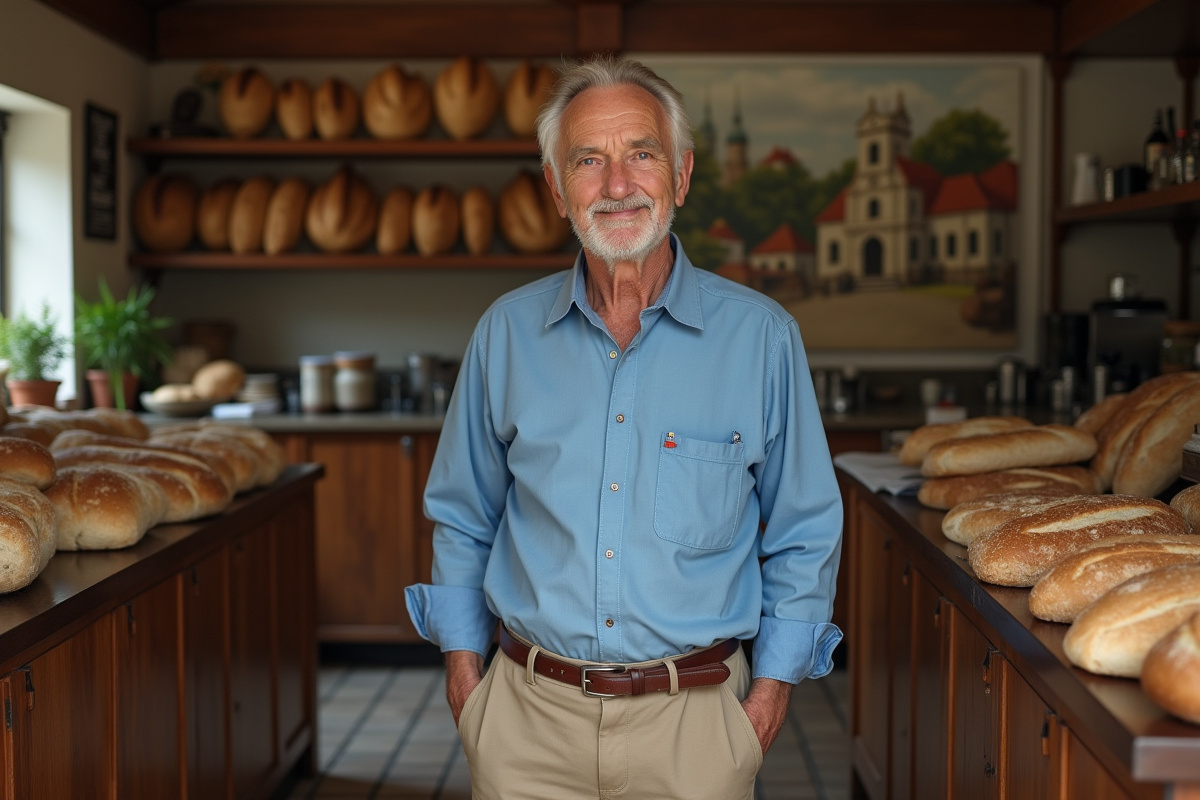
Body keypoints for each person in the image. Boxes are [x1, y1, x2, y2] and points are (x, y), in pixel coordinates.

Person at [405, 55, 842, 800]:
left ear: (681, 175)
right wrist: (465, 679)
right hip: (525, 726)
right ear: (555, 188)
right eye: (588, 160)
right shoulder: (505, 335)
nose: (616, 185)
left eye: (642, 153)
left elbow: (804, 533)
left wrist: (766, 702)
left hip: (697, 732)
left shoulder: (762, 340)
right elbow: (461, 516)